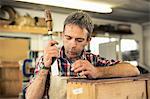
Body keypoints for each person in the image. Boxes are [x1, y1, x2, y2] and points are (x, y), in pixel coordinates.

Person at [25, 11, 140, 99]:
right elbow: (30, 97)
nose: (73, 44)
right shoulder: (48, 59)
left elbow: (133, 70)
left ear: (88, 40)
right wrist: (45, 68)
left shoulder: (92, 60)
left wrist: (97, 72)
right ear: (62, 35)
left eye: (79, 40)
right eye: (68, 38)